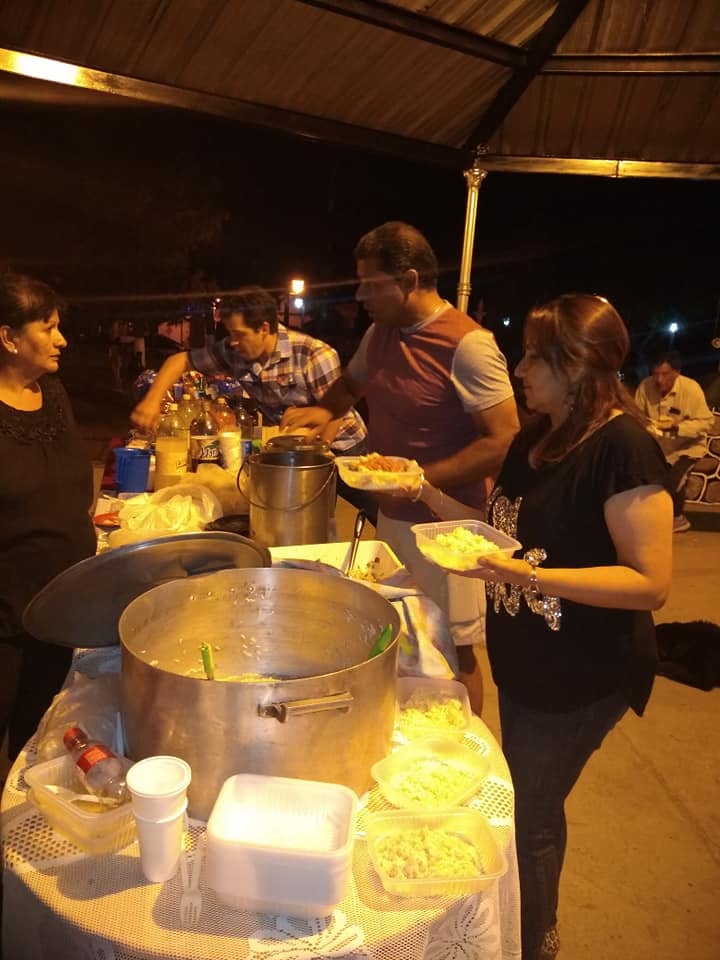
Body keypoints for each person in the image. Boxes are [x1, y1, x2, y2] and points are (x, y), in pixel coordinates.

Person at [398, 293, 673, 960]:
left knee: (530, 816)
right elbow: (504, 531)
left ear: (575, 366)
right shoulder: (538, 435)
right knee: (531, 800)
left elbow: (650, 583)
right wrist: (424, 492)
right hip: (528, 665)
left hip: (583, 675)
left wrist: (528, 579)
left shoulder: (623, 449)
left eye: (532, 356)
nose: (519, 369)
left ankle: (535, 940)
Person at [282, 222, 520, 714]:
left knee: (454, 649)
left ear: (409, 280)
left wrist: (420, 480)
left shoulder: (468, 345)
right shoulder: (381, 333)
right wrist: (324, 412)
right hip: (394, 514)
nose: (359, 294)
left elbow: (503, 440)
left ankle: (466, 740)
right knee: (400, 632)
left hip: (450, 528)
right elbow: (350, 386)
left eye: (371, 284)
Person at [130, 286, 375, 520]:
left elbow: (334, 414)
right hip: (295, 448)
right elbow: (180, 361)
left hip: (345, 446)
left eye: (239, 334)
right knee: (309, 520)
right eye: (230, 334)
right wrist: (152, 400)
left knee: (379, 510)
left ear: (264, 327)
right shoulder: (235, 353)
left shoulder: (314, 354)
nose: (233, 342)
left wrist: (306, 455)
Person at [0, 271, 97, 761]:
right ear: (9, 338)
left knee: (38, 738)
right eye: (48, 327)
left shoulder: (53, 395)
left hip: (61, 610)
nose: (62, 340)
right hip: (6, 621)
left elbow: (70, 484)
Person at [634, 350, 714, 533]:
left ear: (676, 372)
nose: (659, 380)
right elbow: (637, 416)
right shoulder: (645, 387)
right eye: (655, 374)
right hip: (658, 448)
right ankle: (646, 517)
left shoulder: (691, 388)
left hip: (687, 447)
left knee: (672, 483)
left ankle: (678, 518)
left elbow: (706, 422)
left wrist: (677, 427)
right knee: (638, 477)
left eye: (665, 374)